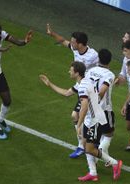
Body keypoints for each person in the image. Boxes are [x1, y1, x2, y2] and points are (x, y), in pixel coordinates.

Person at [46, 24, 98, 158]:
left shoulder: (92, 56)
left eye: (74, 41)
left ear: (80, 44)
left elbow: (102, 69)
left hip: (91, 89)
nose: (71, 43)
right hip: (81, 86)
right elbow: (63, 41)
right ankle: (83, 144)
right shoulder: (75, 49)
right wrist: (52, 33)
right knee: (76, 116)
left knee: (85, 117)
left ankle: (90, 144)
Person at [75, 62, 122, 182]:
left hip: (94, 117)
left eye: (71, 70)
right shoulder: (103, 77)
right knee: (88, 143)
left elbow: (84, 105)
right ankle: (93, 172)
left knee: (90, 147)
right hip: (96, 114)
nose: (69, 72)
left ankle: (113, 163)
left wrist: (79, 124)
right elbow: (100, 93)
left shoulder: (86, 79)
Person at [85, 49, 115, 167]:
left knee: (93, 136)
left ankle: (94, 163)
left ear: (98, 59)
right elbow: (102, 91)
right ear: (109, 61)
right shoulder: (109, 75)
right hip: (104, 109)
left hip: (89, 109)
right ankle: (103, 154)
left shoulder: (90, 71)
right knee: (108, 134)